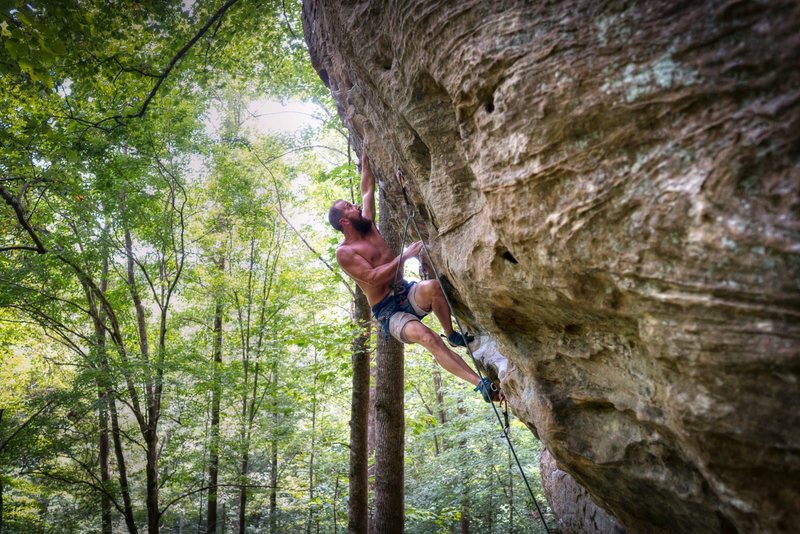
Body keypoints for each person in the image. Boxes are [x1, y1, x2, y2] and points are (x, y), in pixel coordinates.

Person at [327, 151, 501, 402]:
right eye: (348, 207)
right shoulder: (345, 253)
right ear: (344, 221)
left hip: (404, 291)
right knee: (426, 337)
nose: (355, 206)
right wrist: (405, 256)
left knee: (433, 287)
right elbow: (373, 277)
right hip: (389, 311)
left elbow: (367, 188)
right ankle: (481, 385)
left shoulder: (368, 223)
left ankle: (451, 334)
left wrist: (366, 156)